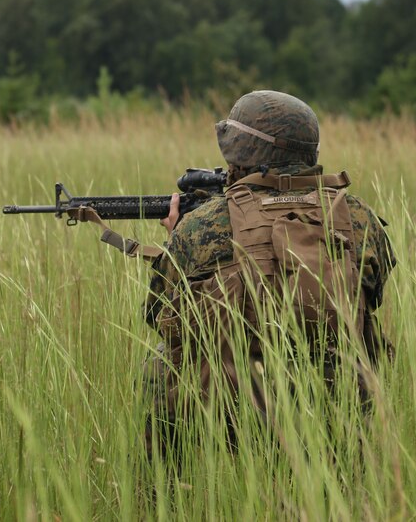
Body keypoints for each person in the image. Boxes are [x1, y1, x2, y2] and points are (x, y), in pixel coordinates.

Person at [141, 90, 396, 455]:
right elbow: (372, 295)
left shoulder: (203, 225)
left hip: (236, 410)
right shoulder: (357, 217)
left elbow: (159, 315)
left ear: (242, 151)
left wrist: (177, 239)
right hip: (339, 402)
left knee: (160, 362)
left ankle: (160, 496)